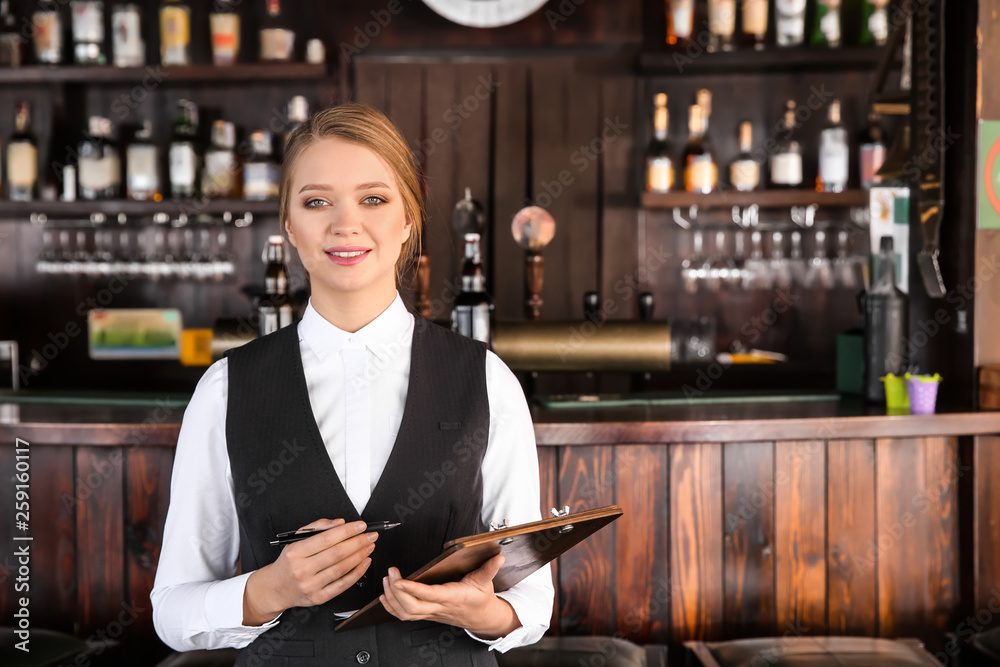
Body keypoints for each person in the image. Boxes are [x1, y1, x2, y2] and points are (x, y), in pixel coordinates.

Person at [151, 103, 554, 666]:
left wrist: (480, 612)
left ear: (408, 218)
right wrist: (268, 592)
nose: (345, 224)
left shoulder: (486, 380)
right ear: (290, 225)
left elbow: (532, 598)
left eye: (373, 198)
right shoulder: (225, 389)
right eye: (317, 202)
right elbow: (171, 610)